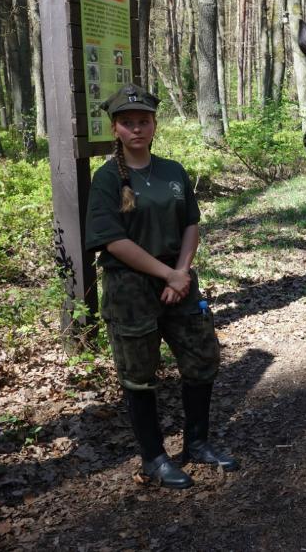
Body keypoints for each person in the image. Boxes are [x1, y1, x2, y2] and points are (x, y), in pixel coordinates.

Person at [84, 84, 238, 489]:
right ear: (115, 129)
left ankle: (197, 443)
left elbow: (191, 224)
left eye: (143, 121)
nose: (136, 128)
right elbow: (113, 241)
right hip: (131, 287)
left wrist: (181, 272)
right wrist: (167, 275)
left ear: (154, 125)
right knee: (139, 374)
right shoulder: (107, 179)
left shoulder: (172, 171)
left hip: (179, 280)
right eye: (127, 122)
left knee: (202, 358)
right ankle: (154, 458)